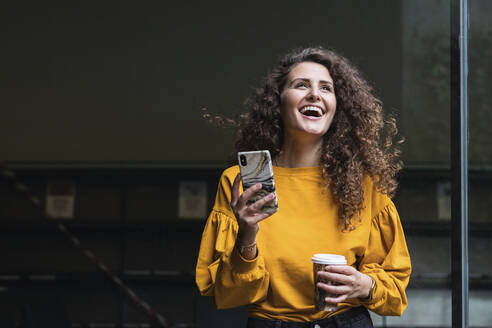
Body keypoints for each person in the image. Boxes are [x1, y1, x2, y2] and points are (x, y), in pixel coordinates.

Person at [195, 47, 411, 327]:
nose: (315, 94)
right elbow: (229, 294)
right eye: (301, 85)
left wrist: (365, 285)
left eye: (326, 88)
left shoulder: (364, 184)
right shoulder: (242, 181)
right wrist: (247, 235)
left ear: (337, 106)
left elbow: (395, 291)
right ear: (278, 102)